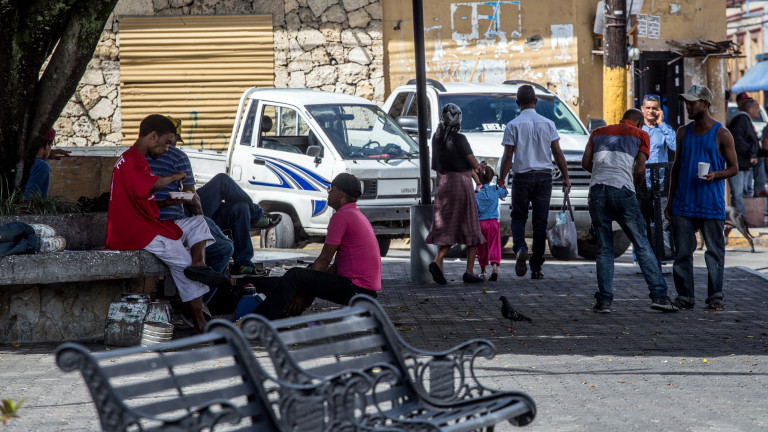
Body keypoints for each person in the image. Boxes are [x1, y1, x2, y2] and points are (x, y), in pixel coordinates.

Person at [106, 114, 229, 333]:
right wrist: (175, 177)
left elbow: (141, 197)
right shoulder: (132, 160)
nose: (166, 149)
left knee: (198, 222)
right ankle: (199, 321)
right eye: (166, 143)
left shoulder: (136, 159)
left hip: (148, 223)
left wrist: (166, 203)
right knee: (182, 262)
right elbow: (150, 185)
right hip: (135, 231)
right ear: (153, 136)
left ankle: (199, 265)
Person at [147, 116, 281, 278]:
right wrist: (201, 221)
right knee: (222, 181)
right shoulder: (177, 156)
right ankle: (257, 215)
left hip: (177, 210)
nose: (174, 144)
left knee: (241, 208)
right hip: (184, 215)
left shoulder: (144, 156)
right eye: (173, 139)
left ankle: (243, 263)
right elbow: (191, 198)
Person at [581, 109, 678, 313]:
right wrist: (631, 184)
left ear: (621, 119)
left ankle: (604, 302)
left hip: (597, 191)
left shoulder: (597, 132)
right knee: (641, 243)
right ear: (640, 123)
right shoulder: (641, 134)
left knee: (604, 248)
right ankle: (659, 296)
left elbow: (585, 162)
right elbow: (640, 169)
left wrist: (602, 174)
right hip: (623, 190)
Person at [254, 173, 381, 320]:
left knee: (295, 275)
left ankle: (257, 321)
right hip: (364, 290)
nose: (328, 193)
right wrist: (307, 292)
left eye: (331, 189)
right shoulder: (356, 215)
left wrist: (303, 291)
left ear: (340, 193)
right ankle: (285, 316)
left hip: (356, 289)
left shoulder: (341, 217)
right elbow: (335, 266)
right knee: (307, 273)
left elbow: (324, 260)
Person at [665, 85, 738, 311]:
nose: (688, 107)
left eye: (692, 103)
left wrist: (716, 174)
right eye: (686, 103)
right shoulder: (682, 133)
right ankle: (684, 296)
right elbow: (676, 168)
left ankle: (715, 296)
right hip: (683, 204)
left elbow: (734, 168)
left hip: (710, 204)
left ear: (705, 104)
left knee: (714, 252)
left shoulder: (722, 133)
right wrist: (670, 201)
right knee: (682, 253)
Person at [498, 84, 570, 280]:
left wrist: (501, 179)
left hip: (521, 177)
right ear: (536, 102)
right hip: (544, 178)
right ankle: (536, 267)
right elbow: (557, 153)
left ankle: (520, 246)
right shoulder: (548, 124)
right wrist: (566, 177)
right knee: (540, 222)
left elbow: (508, 157)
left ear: (517, 103)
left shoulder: (512, 125)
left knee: (518, 217)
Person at [425, 103, 485, 285]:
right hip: (461, 185)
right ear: (458, 120)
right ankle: (469, 272)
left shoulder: (436, 138)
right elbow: (473, 164)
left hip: (443, 185)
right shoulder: (460, 138)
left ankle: (438, 261)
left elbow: (435, 164)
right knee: (471, 228)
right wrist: (480, 166)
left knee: (449, 227)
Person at [726, 98, 760, 214]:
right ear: (750, 109)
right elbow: (737, 141)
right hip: (738, 163)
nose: (760, 111)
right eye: (757, 108)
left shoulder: (745, 120)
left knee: (744, 192)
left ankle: (742, 217)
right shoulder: (741, 119)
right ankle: (740, 219)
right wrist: (751, 152)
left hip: (744, 164)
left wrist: (755, 152)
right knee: (738, 194)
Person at [474, 164, 507, 281]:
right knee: (494, 245)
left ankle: (483, 272)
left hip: (480, 223)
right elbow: (505, 193)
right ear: (492, 177)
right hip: (493, 223)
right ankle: (495, 267)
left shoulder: (476, 192)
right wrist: (502, 184)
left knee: (481, 248)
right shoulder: (495, 189)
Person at [24, 129, 70, 199]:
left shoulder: (20, 161)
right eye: (50, 146)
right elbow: (31, 200)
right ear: (46, 145)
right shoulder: (41, 166)